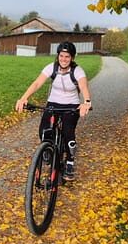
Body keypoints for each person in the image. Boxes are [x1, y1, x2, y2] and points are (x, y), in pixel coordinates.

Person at [15, 42, 91, 181]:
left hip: (71, 106)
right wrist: (24, 98)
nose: (63, 59)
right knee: (43, 130)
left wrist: (86, 102)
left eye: (67, 57)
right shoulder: (52, 67)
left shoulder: (77, 71)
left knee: (68, 133)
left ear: (72, 58)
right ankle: (47, 150)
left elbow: (83, 86)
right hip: (53, 103)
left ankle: (69, 161)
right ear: (58, 56)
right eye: (61, 56)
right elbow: (37, 83)